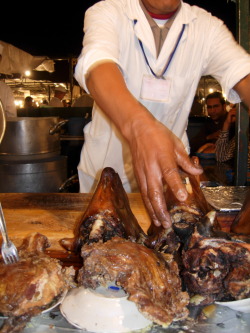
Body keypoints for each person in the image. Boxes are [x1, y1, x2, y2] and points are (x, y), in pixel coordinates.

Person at [74, 0, 250, 229]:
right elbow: (96, 64)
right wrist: (140, 127)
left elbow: (241, 70)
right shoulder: (110, 10)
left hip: (169, 174)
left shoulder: (207, 27)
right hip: (105, 170)